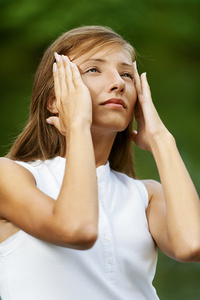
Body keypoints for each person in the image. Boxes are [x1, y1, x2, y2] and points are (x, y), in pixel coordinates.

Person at [0, 25, 199, 300]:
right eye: (94, 69)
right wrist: (78, 124)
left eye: (127, 74)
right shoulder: (11, 176)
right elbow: (77, 229)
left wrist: (161, 139)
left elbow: (192, 245)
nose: (118, 82)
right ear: (54, 100)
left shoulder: (146, 196)